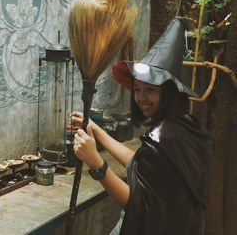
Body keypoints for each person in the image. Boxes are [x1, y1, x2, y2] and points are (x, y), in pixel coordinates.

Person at [71, 17, 213, 235]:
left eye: (150, 90)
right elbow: (140, 164)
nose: (141, 97)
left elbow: (137, 206)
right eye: (137, 89)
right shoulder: (182, 125)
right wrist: (98, 132)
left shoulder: (164, 136)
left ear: (169, 92)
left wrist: (96, 164)